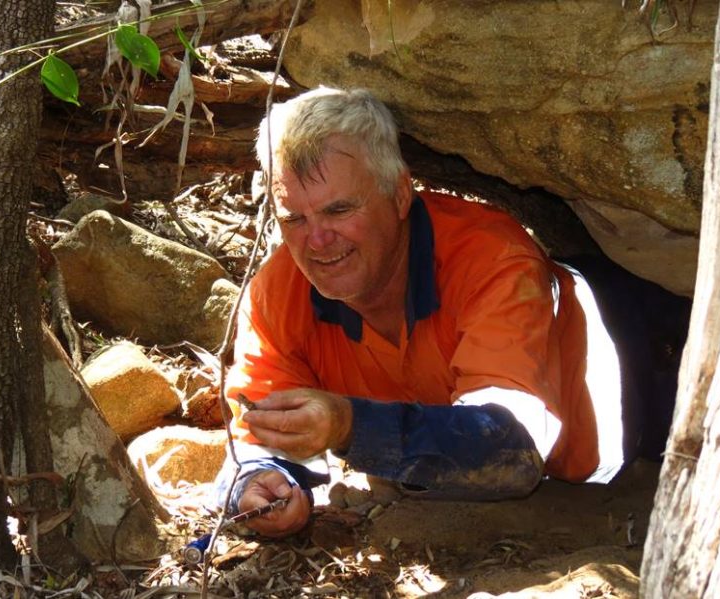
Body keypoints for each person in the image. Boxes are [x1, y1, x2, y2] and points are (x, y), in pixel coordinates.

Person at [214, 86, 683, 538]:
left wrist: (350, 425)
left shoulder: (490, 258)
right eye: (294, 218)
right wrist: (257, 485)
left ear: (400, 195)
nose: (316, 241)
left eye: (338, 211)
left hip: (656, 370)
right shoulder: (278, 292)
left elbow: (510, 449)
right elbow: (255, 433)